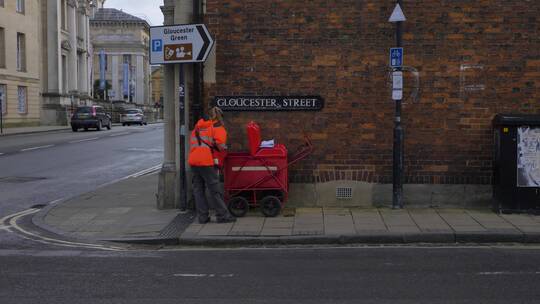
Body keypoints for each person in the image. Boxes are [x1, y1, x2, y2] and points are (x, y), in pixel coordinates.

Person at [188, 106, 236, 224]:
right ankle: (223, 215)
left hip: (194, 161)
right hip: (207, 161)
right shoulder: (217, 127)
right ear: (220, 117)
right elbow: (220, 146)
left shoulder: (197, 128)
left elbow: (193, 143)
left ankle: (203, 217)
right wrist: (226, 147)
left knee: (198, 190)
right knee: (214, 189)